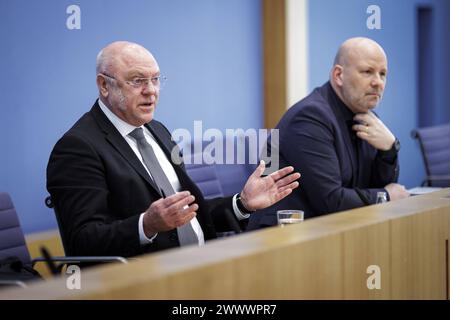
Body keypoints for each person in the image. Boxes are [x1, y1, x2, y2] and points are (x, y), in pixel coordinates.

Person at [46, 41, 300, 257]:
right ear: (104, 85)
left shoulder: (157, 130)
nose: (151, 91)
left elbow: (189, 214)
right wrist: (146, 225)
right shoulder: (78, 148)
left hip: (202, 265)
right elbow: (82, 242)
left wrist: (242, 204)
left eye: (156, 79)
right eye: (137, 81)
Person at [248, 37, 409, 229]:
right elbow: (332, 202)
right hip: (283, 236)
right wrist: (386, 196)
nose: (378, 83)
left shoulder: (366, 117)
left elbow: (374, 185)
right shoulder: (309, 117)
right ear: (339, 75)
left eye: (383, 74)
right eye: (367, 72)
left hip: (329, 230)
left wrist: (389, 150)